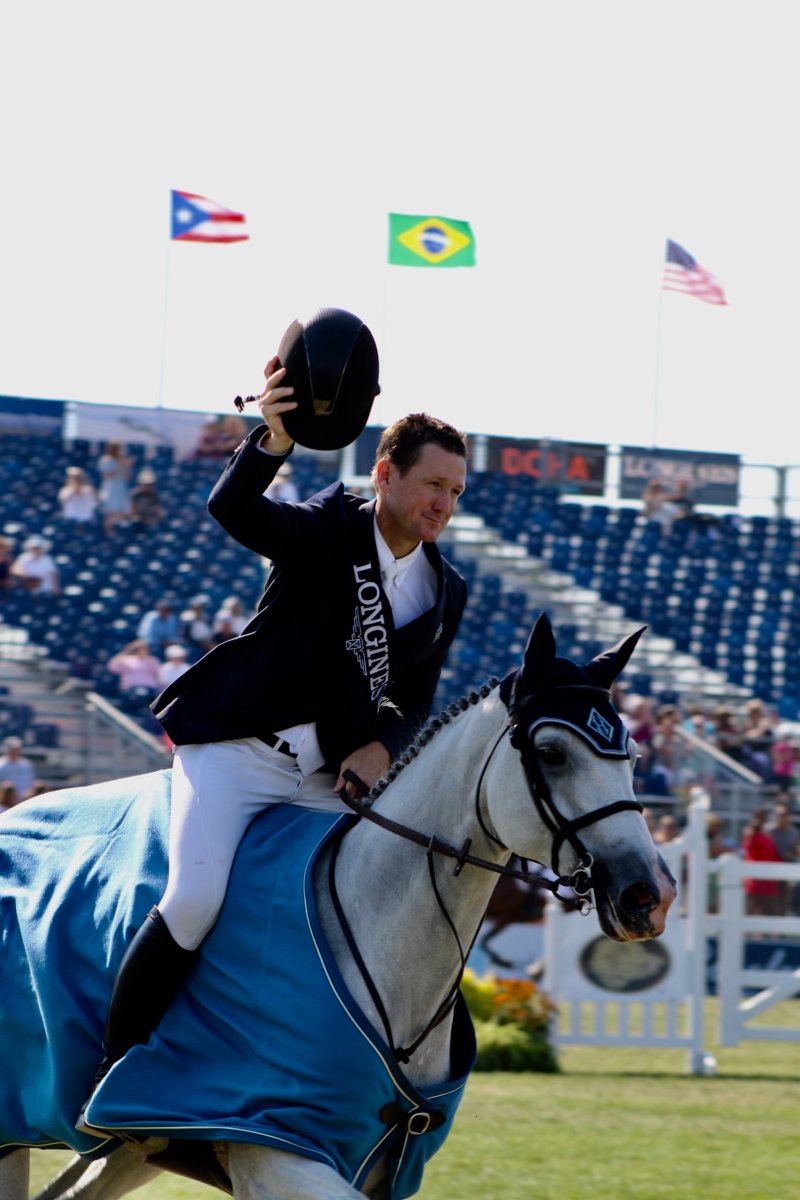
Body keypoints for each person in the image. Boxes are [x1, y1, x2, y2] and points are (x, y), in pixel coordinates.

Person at [85, 354, 468, 1099]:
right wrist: (275, 438)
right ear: (385, 473)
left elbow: (413, 699)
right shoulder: (326, 528)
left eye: (454, 491)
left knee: (358, 910)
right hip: (237, 752)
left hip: (327, 775)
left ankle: (314, 1087)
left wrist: (381, 745)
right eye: (432, 484)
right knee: (194, 900)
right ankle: (117, 1073)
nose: (443, 503)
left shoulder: (446, 586)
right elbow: (232, 510)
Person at [741, 806, 782, 917]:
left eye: (763, 816)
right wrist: (752, 831)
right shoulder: (751, 832)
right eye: (760, 815)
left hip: (768, 876)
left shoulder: (767, 834)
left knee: (766, 908)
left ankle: (761, 934)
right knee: (753, 906)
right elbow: (747, 848)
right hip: (755, 877)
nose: (762, 818)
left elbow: (773, 853)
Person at [764, 801, 800, 914]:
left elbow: (795, 849)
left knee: (785, 897)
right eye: (779, 815)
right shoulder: (768, 830)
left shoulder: (793, 832)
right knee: (769, 899)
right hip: (769, 867)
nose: (781, 817)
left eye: (784, 815)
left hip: (787, 865)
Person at [97, 440, 133, 534]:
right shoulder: (106, 460)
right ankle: (108, 532)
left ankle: (120, 534)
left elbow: (128, 477)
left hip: (121, 489)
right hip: (111, 489)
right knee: (110, 512)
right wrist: (119, 465)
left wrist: (127, 466)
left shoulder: (122, 460)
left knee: (122, 512)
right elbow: (108, 476)